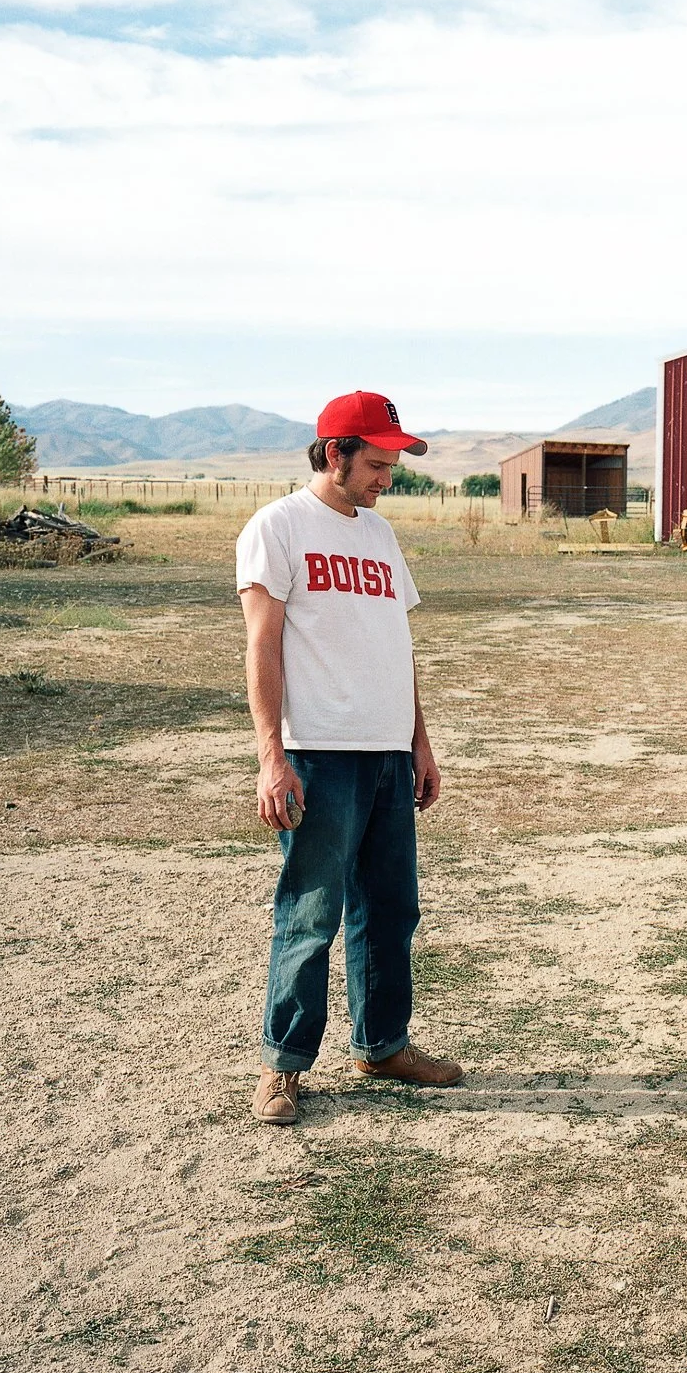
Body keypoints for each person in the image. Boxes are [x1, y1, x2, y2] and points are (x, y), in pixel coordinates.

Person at [236, 389, 463, 1125]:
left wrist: (419, 741)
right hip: (319, 753)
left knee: (391, 910)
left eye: (391, 466)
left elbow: (397, 645)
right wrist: (272, 757)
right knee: (311, 913)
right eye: (376, 464)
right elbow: (262, 645)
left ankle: (382, 1045)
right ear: (335, 453)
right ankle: (283, 1066)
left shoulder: (381, 534)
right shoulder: (278, 527)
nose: (386, 479)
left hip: (388, 753)